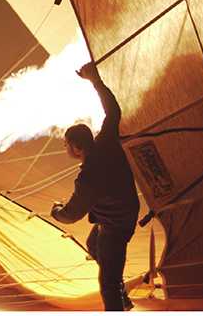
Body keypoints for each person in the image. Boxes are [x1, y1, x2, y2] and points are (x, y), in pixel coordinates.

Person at [51, 62, 140, 311]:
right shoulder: (107, 140)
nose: (65, 148)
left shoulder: (88, 179)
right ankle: (119, 287)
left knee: (107, 286)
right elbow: (113, 110)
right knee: (93, 244)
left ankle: (119, 298)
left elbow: (70, 215)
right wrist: (95, 80)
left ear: (77, 149)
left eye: (66, 145)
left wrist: (55, 209)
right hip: (127, 213)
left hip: (115, 228)